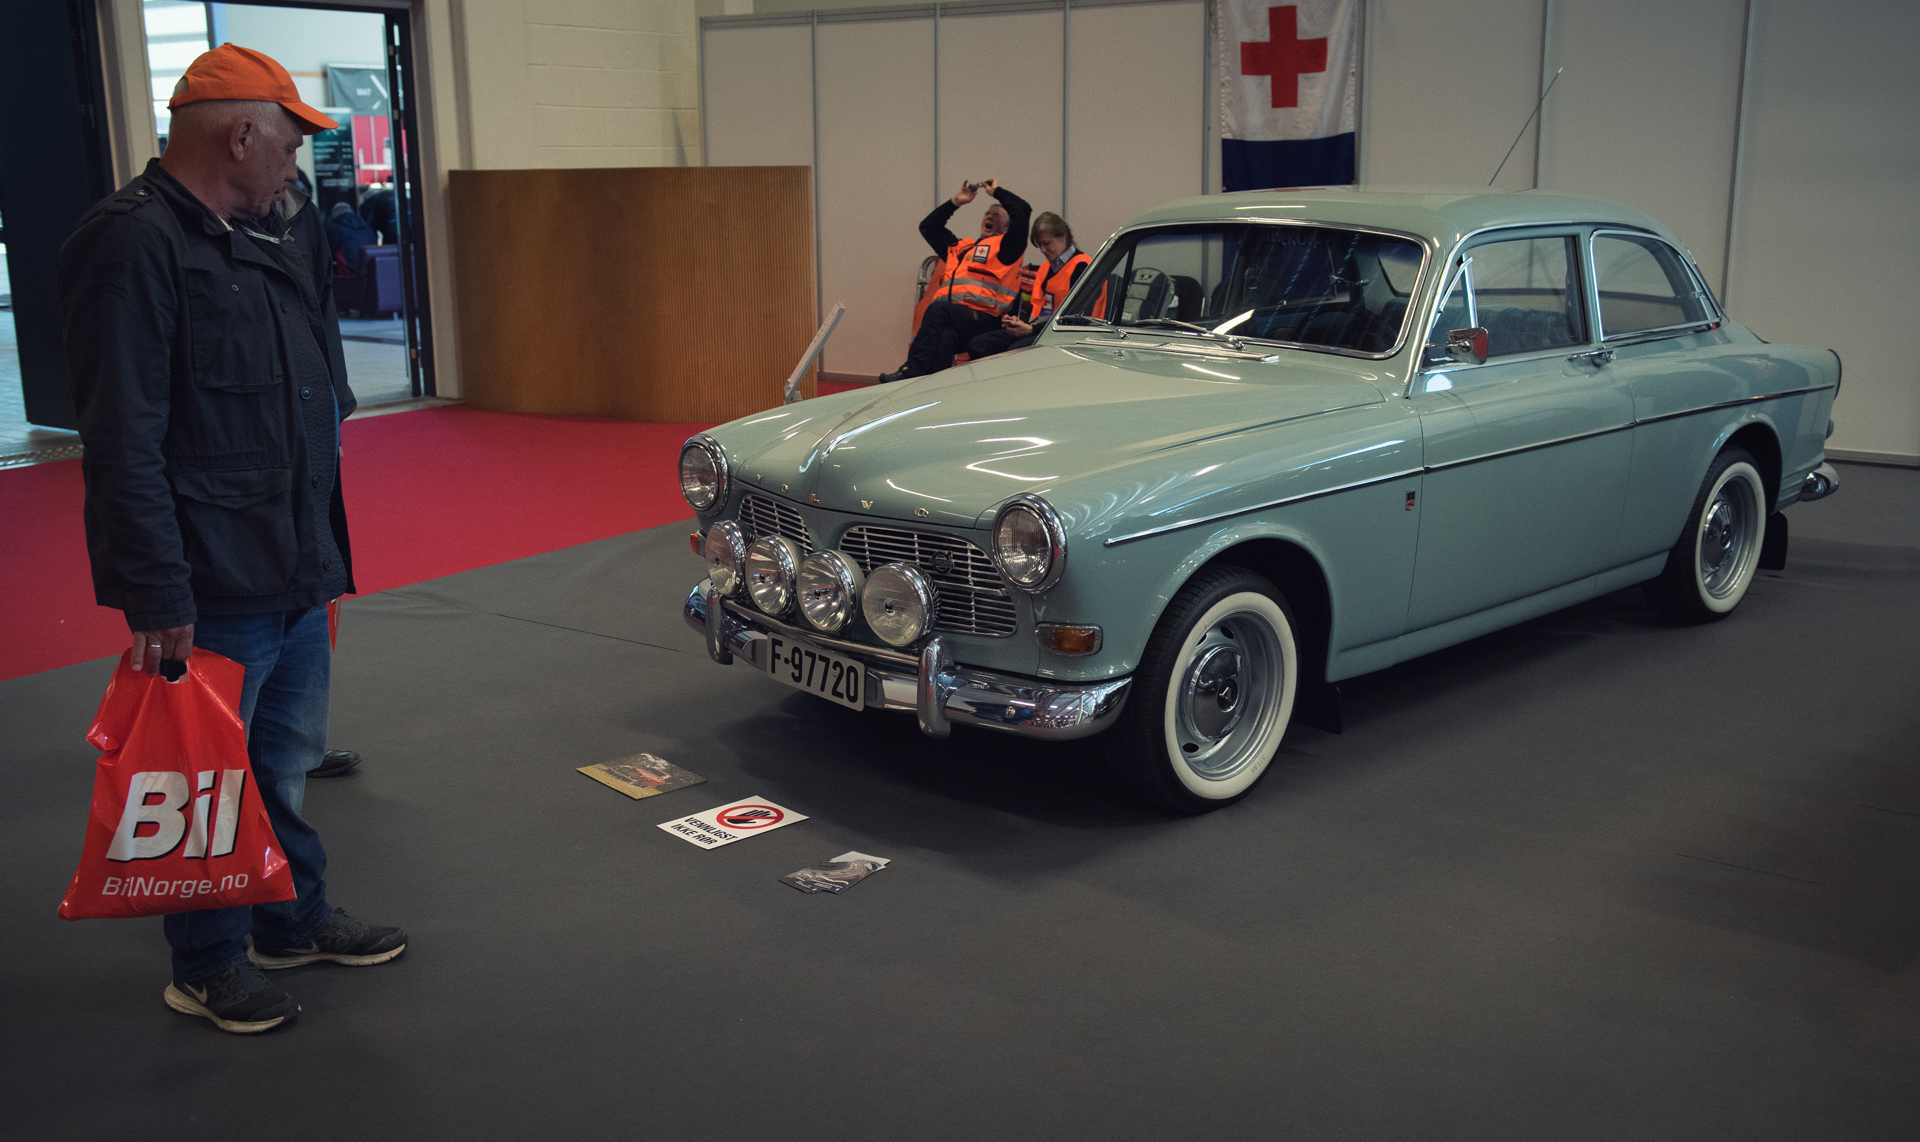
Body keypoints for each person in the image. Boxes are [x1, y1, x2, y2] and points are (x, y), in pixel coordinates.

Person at [57, 43, 406, 1036]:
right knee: (210, 777)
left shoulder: (267, 228)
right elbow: (122, 439)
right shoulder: (131, 245)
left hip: (294, 554)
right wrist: (156, 591)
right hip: (212, 573)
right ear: (241, 135)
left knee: (284, 760)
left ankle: (288, 918)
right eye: (290, 142)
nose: (298, 163)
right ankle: (207, 962)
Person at [879, 179, 1031, 382]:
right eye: (987, 213)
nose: (989, 216)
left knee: (938, 310)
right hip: (957, 319)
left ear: (1006, 227)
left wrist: (997, 192)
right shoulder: (961, 248)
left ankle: (911, 369)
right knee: (945, 336)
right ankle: (937, 385)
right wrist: (956, 202)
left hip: (986, 319)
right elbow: (929, 227)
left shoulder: (1007, 248)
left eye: (996, 215)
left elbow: (1023, 210)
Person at [967, 211, 1091, 360]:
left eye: (1046, 244)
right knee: (979, 344)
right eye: (1039, 245)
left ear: (1063, 237)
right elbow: (1037, 310)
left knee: (1014, 352)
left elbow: (1076, 319)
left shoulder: (1082, 267)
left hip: (1065, 335)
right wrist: (1019, 323)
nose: (1042, 250)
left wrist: (1031, 330)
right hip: (1038, 329)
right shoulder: (1045, 268)